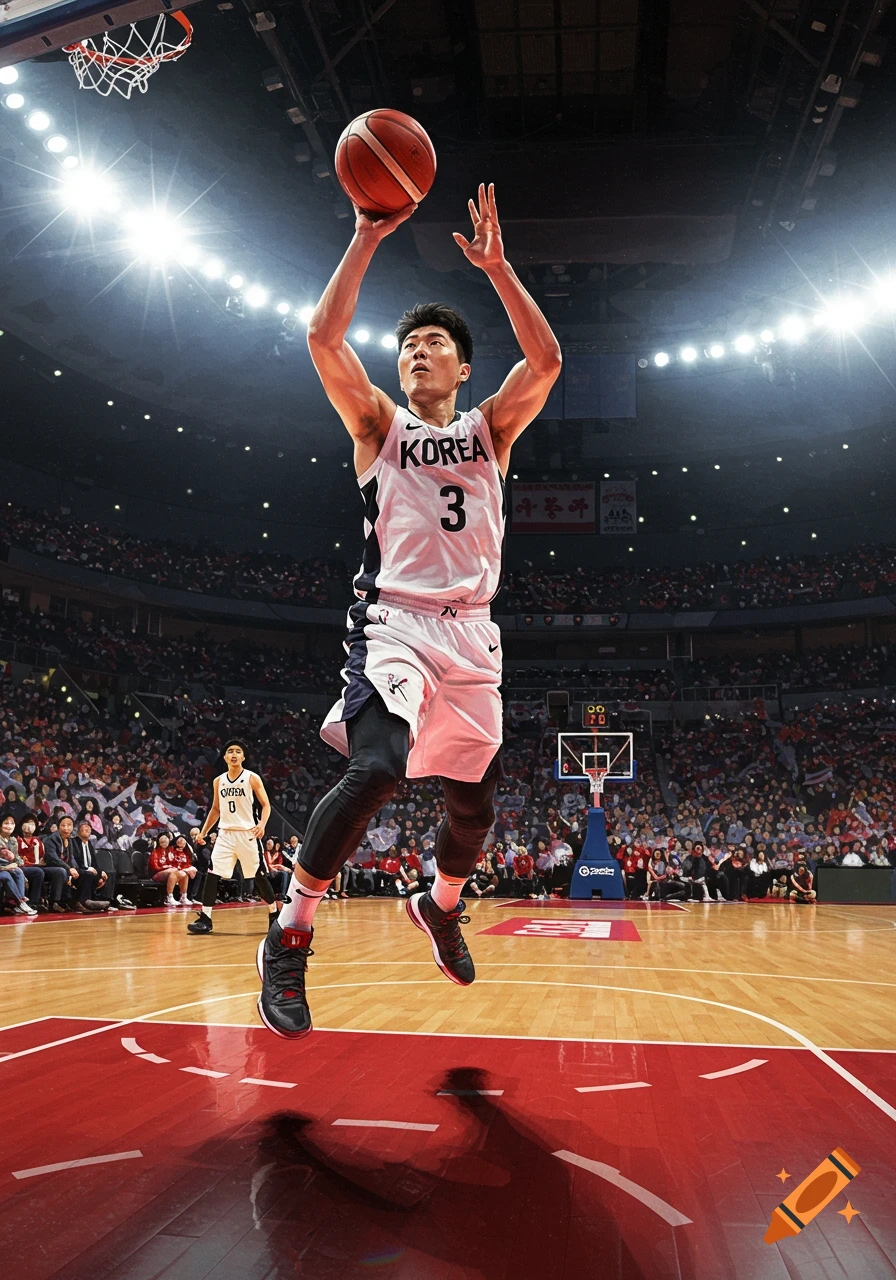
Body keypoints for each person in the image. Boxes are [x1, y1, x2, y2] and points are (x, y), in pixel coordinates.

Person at [258, 183, 561, 1039]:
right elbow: (322, 336)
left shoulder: (490, 430)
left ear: (463, 368)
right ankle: (290, 932)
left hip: (472, 634)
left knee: (476, 808)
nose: (419, 352)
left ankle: (439, 904)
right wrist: (363, 236)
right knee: (379, 766)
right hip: (393, 620)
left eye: (435, 344)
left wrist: (499, 271)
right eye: (411, 345)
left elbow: (545, 366)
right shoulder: (377, 426)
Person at [188, 741, 271, 935]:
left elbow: (266, 805)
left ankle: (274, 915)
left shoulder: (252, 778)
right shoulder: (218, 781)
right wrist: (203, 832)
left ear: (243, 757)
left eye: (238, 751)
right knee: (212, 873)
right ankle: (206, 918)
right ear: (225, 757)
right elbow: (216, 809)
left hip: (247, 833)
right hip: (225, 834)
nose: (234, 754)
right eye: (230, 751)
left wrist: (262, 825)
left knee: (257, 875)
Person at [16, 815, 68, 912]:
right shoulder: (17, 840)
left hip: (38, 866)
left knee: (60, 871)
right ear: (21, 825)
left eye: (32, 824)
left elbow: (43, 857)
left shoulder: (38, 840)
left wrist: (43, 861)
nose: (29, 826)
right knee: (38, 872)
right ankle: (33, 902)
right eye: (27, 823)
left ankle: (54, 902)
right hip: (23, 867)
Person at [0, 816, 37, 915]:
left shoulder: (13, 840)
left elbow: (18, 858)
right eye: (6, 823)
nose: (9, 826)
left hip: (10, 868)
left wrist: (16, 863)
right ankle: (20, 902)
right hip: (2, 869)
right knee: (6, 876)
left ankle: (19, 904)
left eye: (12, 823)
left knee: (18, 871)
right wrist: (4, 868)